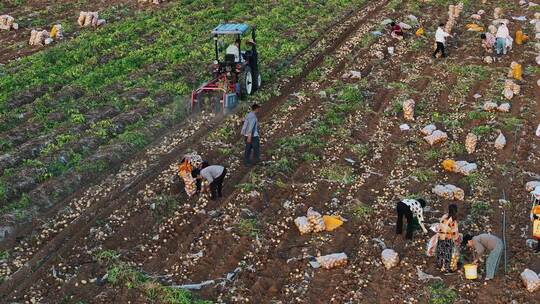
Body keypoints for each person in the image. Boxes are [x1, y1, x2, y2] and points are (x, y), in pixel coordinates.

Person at [435, 204, 460, 272]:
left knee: (440, 251)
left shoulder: (444, 216)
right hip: (448, 238)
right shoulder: (453, 219)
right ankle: (446, 268)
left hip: (441, 237)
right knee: (447, 253)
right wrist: (456, 239)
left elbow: (440, 225)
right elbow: (454, 231)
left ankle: (439, 265)